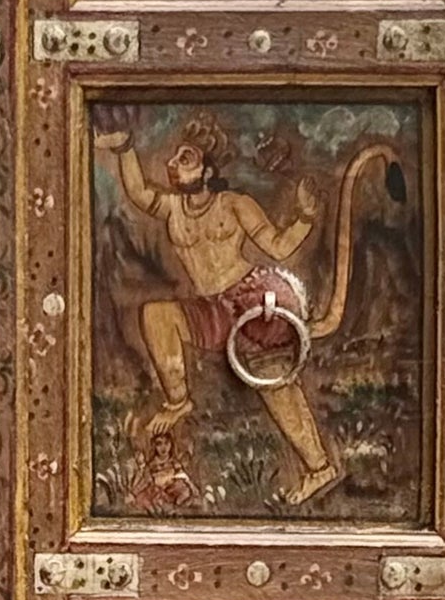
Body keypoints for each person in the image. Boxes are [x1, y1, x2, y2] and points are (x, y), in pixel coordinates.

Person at [96, 116, 342, 505]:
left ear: (208, 170)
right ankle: (178, 399)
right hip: (211, 307)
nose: (173, 165)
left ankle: (319, 467)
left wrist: (306, 217)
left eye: (186, 159)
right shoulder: (174, 208)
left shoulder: (236, 205)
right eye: (175, 158)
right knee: (157, 315)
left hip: (252, 298)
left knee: (275, 385)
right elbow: (139, 192)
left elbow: (278, 246)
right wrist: (126, 148)